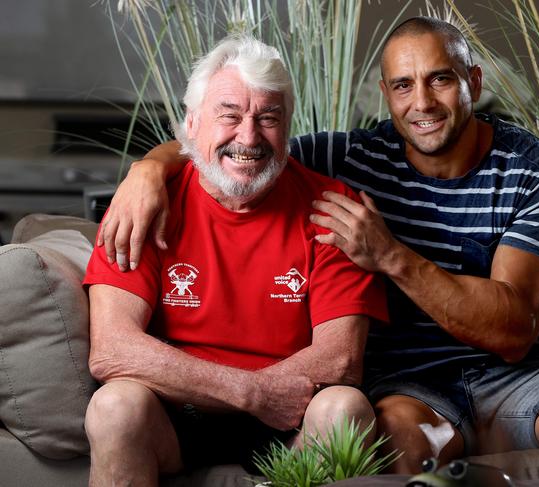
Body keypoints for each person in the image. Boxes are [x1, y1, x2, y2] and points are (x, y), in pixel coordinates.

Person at [98, 17, 539, 487]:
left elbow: (513, 332)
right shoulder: (349, 157)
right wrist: (148, 169)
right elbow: (244, 152)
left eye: (440, 80)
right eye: (403, 86)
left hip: (518, 378)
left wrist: (390, 255)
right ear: (386, 96)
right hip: (409, 387)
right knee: (394, 441)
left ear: (472, 83)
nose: (423, 103)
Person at [82, 35, 388, 487]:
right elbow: (111, 350)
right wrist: (248, 391)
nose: (248, 137)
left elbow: (341, 359)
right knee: (114, 406)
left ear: (287, 128)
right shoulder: (145, 206)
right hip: (174, 418)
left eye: (268, 118)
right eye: (229, 115)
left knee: (345, 407)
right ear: (190, 125)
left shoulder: (333, 209)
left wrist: (265, 397)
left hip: (290, 420)